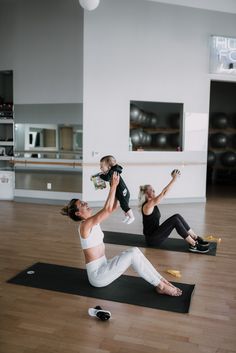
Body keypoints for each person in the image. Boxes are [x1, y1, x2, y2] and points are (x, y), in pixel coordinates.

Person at [61, 172, 182, 297]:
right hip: (98, 276)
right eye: (81, 204)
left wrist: (119, 188)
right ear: (78, 213)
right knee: (132, 255)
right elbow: (107, 209)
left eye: (83, 202)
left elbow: (113, 207)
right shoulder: (85, 225)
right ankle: (161, 286)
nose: (85, 203)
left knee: (135, 251)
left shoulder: (92, 221)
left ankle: (161, 280)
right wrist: (113, 186)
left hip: (104, 266)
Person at [138, 169, 210, 254]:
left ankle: (194, 237)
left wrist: (174, 179)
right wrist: (174, 179)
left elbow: (164, 193)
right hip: (152, 240)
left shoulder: (152, 203)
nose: (154, 191)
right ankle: (194, 245)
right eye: (151, 190)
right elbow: (163, 193)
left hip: (156, 234)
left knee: (177, 216)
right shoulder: (147, 206)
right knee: (174, 220)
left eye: (153, 190)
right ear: (146, 194)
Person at [98, 155, 135, 224]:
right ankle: (127, 216)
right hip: (121, 192)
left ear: (109, 167)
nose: (100, 168)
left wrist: (100, 175)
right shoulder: (113, 171)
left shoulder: (112, 172)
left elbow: (107, 178)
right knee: (123, 205)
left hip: (122, 193)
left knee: (124, 206)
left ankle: (132, 217)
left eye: (102, 166)